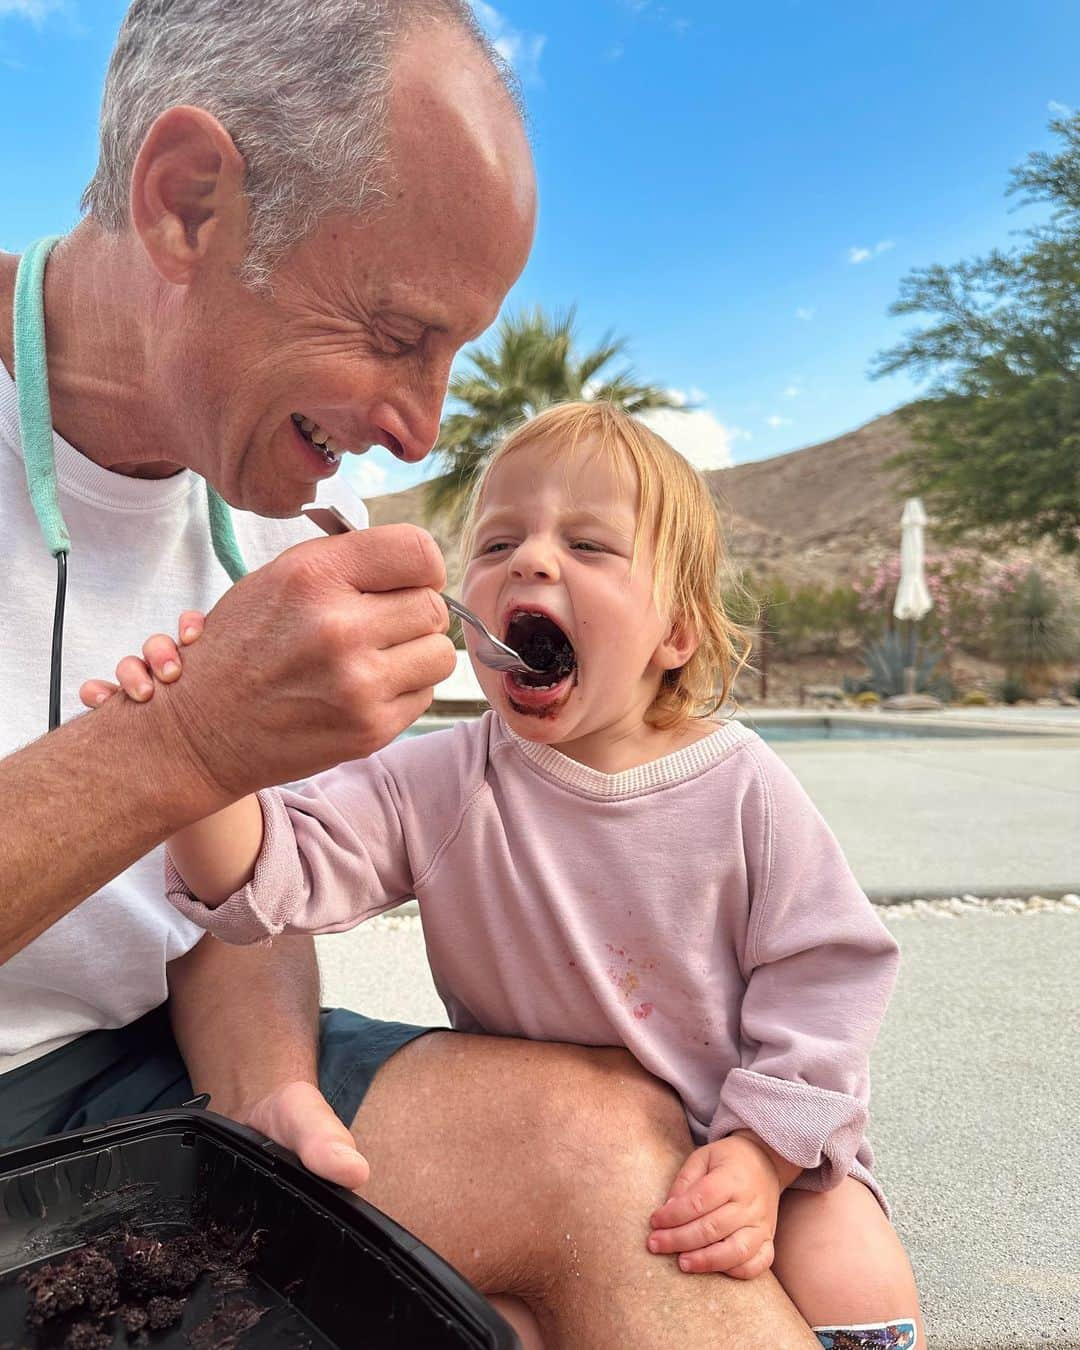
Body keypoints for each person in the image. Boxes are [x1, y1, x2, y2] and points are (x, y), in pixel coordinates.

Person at [0, 2, 828, 1345]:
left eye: (456, 358)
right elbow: (191, 768)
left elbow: (241, 902)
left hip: (154, 1080)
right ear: (187, 203)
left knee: (615, 1146)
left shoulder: (268, 499)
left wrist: (267, 1087)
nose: (422, 427)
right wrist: (180, 745)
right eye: (396, 332)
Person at [101, 403, 924, 1349]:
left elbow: (830, 972)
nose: (530, 561)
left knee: (852, 1273)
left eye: (588, 545)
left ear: (678, 635)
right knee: (492, 1326)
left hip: (760, 1134)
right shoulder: (445, 779)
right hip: (542, 1135)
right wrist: (198, 760)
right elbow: (277, 875)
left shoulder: (742, 787)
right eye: (497, 543)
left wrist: (765, 1149)